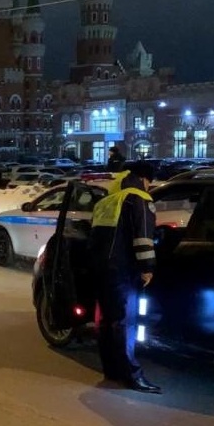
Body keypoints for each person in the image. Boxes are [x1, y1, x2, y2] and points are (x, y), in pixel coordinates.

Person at [88, 161, 161, 394]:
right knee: (125, 323)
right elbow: (143, 238)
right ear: (143, 179)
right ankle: (131, 376)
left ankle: (111, 370)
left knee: (107, 321)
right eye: (149, 182)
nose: (149, 187)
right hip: (123, 271)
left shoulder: (108, 201)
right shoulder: (139, 198)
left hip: (101, 270)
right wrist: (147, 268)